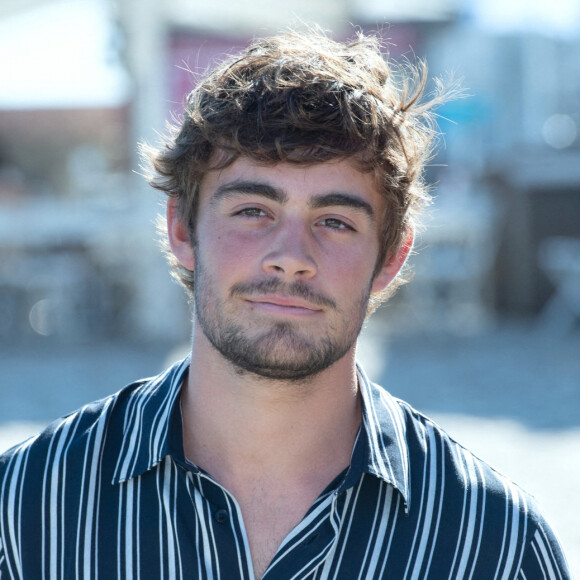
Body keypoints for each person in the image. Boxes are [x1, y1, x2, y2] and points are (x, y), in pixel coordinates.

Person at [0, 29, 570, 580]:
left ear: (391, 258)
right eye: (253, 211)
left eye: (335, 221)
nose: (291, 257)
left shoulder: (496, 545)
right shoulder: (25, 510)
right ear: (182, 228)